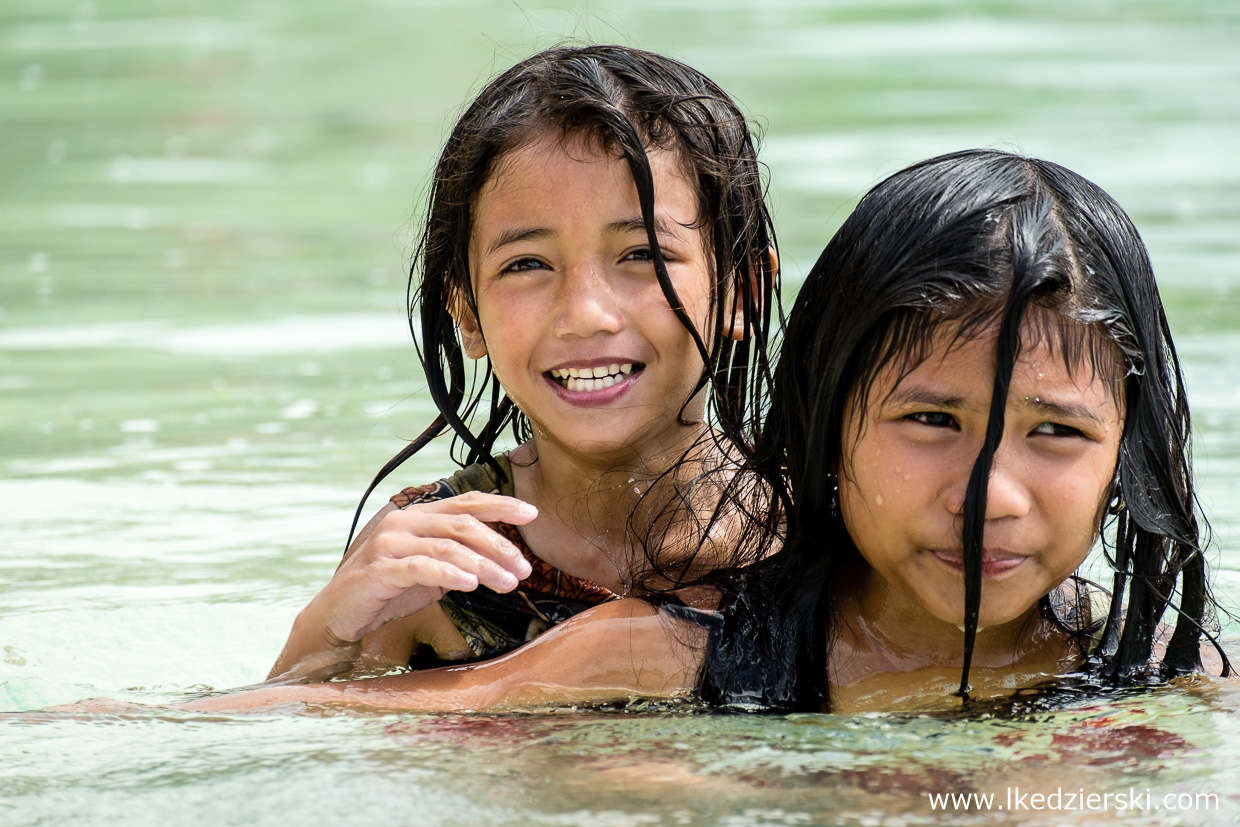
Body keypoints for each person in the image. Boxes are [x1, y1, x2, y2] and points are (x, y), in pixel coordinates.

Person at [83, 148, 1233, 716]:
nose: (992, 493)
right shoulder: (654, 652)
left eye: (1058, 434)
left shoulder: (1162, 673)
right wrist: (318, 633)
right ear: (828, 420)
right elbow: (281, 735)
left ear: (1126, 451)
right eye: (932, 420)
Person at [266, 44, 781, 683]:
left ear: (741, 291)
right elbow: (299, 730)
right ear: (469, 315)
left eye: (644, 255)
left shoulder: (810, 537)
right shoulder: (434, 564)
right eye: (528, 265)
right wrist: (323, 633)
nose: (587, 314)